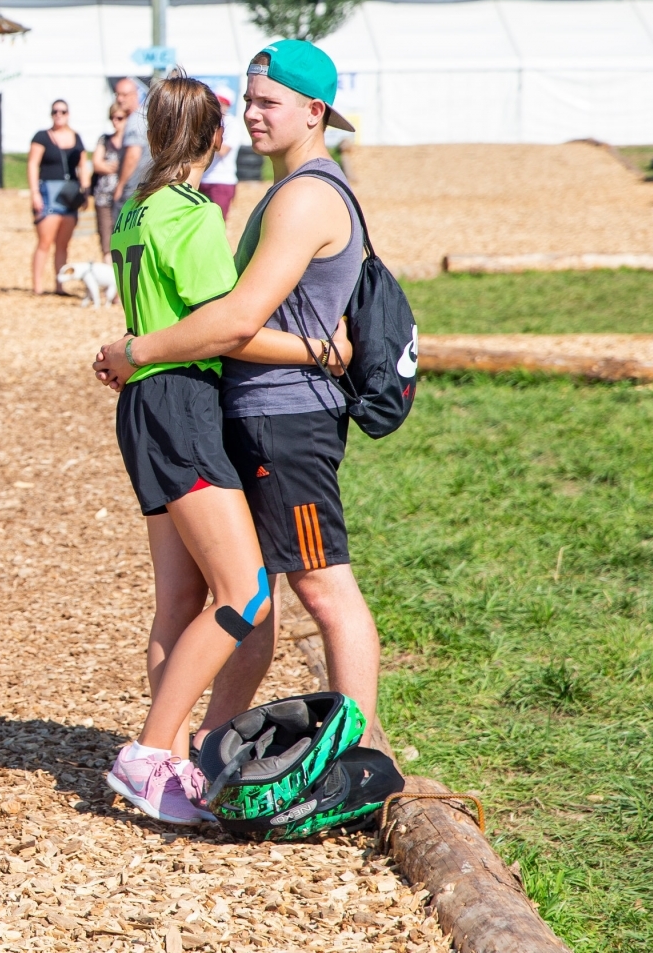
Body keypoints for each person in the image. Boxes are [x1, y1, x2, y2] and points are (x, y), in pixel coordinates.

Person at [94, 42, 384, 755]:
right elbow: (222, 318)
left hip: (288, 421)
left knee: (316, 586)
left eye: (267, 101)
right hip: (235, 413)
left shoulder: (307, 193)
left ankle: (358, 755)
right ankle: (195, 751)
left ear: (315, 112)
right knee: (247, 603)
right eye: (247, 101)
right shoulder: (257, 195)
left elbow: (230, 323)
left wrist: (136, 350)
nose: (253, 113)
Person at [87, 74, 274, 825]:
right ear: (215, 141)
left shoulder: (134, 209)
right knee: (245, 590)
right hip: (181, 400)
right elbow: (223, 324)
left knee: (179, 603)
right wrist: (321, 352)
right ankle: (150, 752)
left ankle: (160, 763)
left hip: (142, 405)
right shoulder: (193, 214)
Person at [27, 101, 86, 294]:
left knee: (63, 243)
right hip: (48, 191)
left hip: (69, 194)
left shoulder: (76, 137)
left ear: (68, 114)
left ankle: (59, 285)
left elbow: (83, 165)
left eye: (62, 111)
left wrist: (84, 191)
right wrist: (35, 192)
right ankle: (37, 286)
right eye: (55, 112)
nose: (58, 115)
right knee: (45, 241)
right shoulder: (42, 137)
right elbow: (33, 164)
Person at [199, 87, 250, 218]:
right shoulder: (206, 123)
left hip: (221, 181)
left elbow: (222, 151)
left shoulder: (232, 124)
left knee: (216, 223)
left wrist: (206, 134)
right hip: (201, 178)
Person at [90, 103, 129, 260]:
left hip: (126, 197)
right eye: (112, 118)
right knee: (107, 241)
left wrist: (113, 167)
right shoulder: (105, 140)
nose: (115, 121)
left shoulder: (131, 142)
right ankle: (110, 279)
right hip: (104, 197)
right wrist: (113, 167)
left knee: (125, 241)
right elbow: (96, 163)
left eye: (119, 118)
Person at [112, 75, 150, 222]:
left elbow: (133, 155)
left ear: (135, 95)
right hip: (145, 185)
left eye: (125, 95)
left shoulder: (136, 120)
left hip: (133, 188)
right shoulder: (144, 115)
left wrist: (120, 186)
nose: (120, 99)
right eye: (117, 94)